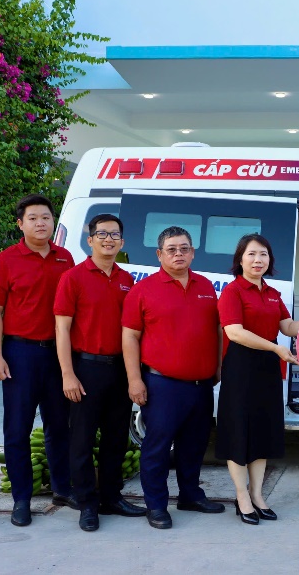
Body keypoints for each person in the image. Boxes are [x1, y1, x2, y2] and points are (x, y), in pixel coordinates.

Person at [215, 233, 299, 525]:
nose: (258, 260)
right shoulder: (232, 292)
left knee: (262, 432)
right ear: (240, 260)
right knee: (239, 432)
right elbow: (234, 332)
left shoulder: (273, 293)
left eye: (263, 254)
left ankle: (258, 495)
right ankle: (242, 497)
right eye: (251, 254)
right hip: (241, 368)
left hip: (267, 369)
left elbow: (287, 326)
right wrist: (276, 348)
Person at [122, 226, 225, 530]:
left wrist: (218, 367)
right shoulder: (143, 290)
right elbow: (130, 337)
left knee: (194, 445)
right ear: (159, 254)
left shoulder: (206, 286)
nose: (178, 254)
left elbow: (217, 330)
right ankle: (156, 505)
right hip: (162, 384)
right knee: (157, 447)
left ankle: (190, 495)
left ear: (192, 253)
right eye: (171, 249)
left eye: (184, 249)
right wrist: (134, 380)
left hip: (201, 385)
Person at [0, 194, 76, 527]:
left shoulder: (65, 258)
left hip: (57, 353)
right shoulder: (6, 260)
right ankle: (21, 498)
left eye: (46, 217)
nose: (41, 223)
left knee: (59, 425)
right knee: (17, 428)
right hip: (20, 353)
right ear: (20, 224)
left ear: (54, 222)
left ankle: (62, 489)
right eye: (33, 218)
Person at [54, 214, 146, 532]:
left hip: (119, 368)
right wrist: (68, 373)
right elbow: (62, 330)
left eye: (115, 234)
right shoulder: (73, 278)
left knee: (116, 438)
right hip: (85, 368)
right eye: (102, 234)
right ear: (90, 240)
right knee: (81, 440)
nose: (109, 239)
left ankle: (111, 497)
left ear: (122, 242)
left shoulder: (127, 280)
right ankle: (87, 503)